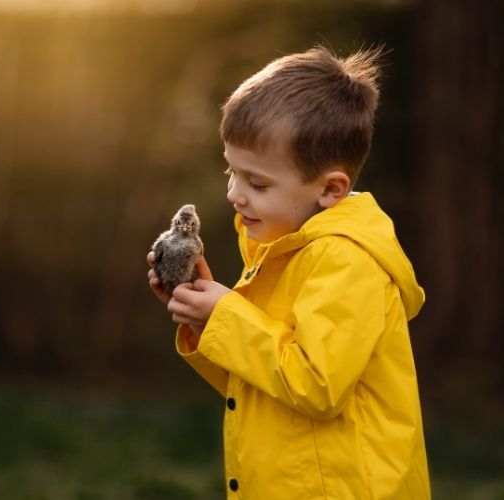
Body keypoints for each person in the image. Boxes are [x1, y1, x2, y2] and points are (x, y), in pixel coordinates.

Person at [147, 45, 430, 500]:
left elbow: (315, 386)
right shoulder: (279, 249)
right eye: (231, 171)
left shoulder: (347, 259)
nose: (235, 194)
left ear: (331, 189)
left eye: (257, 183)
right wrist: (205, 321)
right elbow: (263, 383)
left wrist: (226, 315)